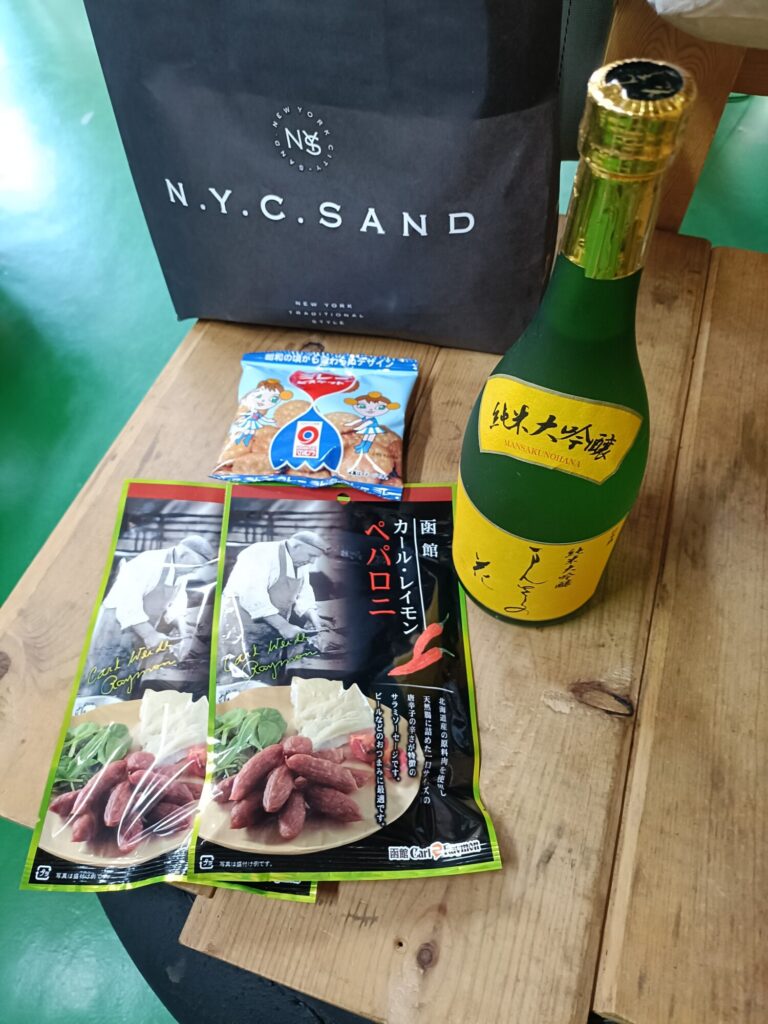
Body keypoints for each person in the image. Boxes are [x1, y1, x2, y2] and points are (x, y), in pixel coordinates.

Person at [82, 535, 216, 692]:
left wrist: (184, 631)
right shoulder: (149, 562)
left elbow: (175, 605)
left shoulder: (181, 572)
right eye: (196, 566)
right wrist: (149, 634)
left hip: (136, 634)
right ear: (183, 555)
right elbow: (127, 603)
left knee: (123, 682)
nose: (195, 570)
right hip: (114, 630)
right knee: (100, 680)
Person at [220, 531, 334, 682]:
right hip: (240, 629)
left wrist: (315, 619)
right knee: (240, 678)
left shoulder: (300, 562)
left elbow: (304, 593)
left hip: (270, 629)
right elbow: (252, 595)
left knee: (266, 678)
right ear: (296, 546)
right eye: (311, 555)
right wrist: (283, 626)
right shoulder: (260, 553)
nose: (312, 562)